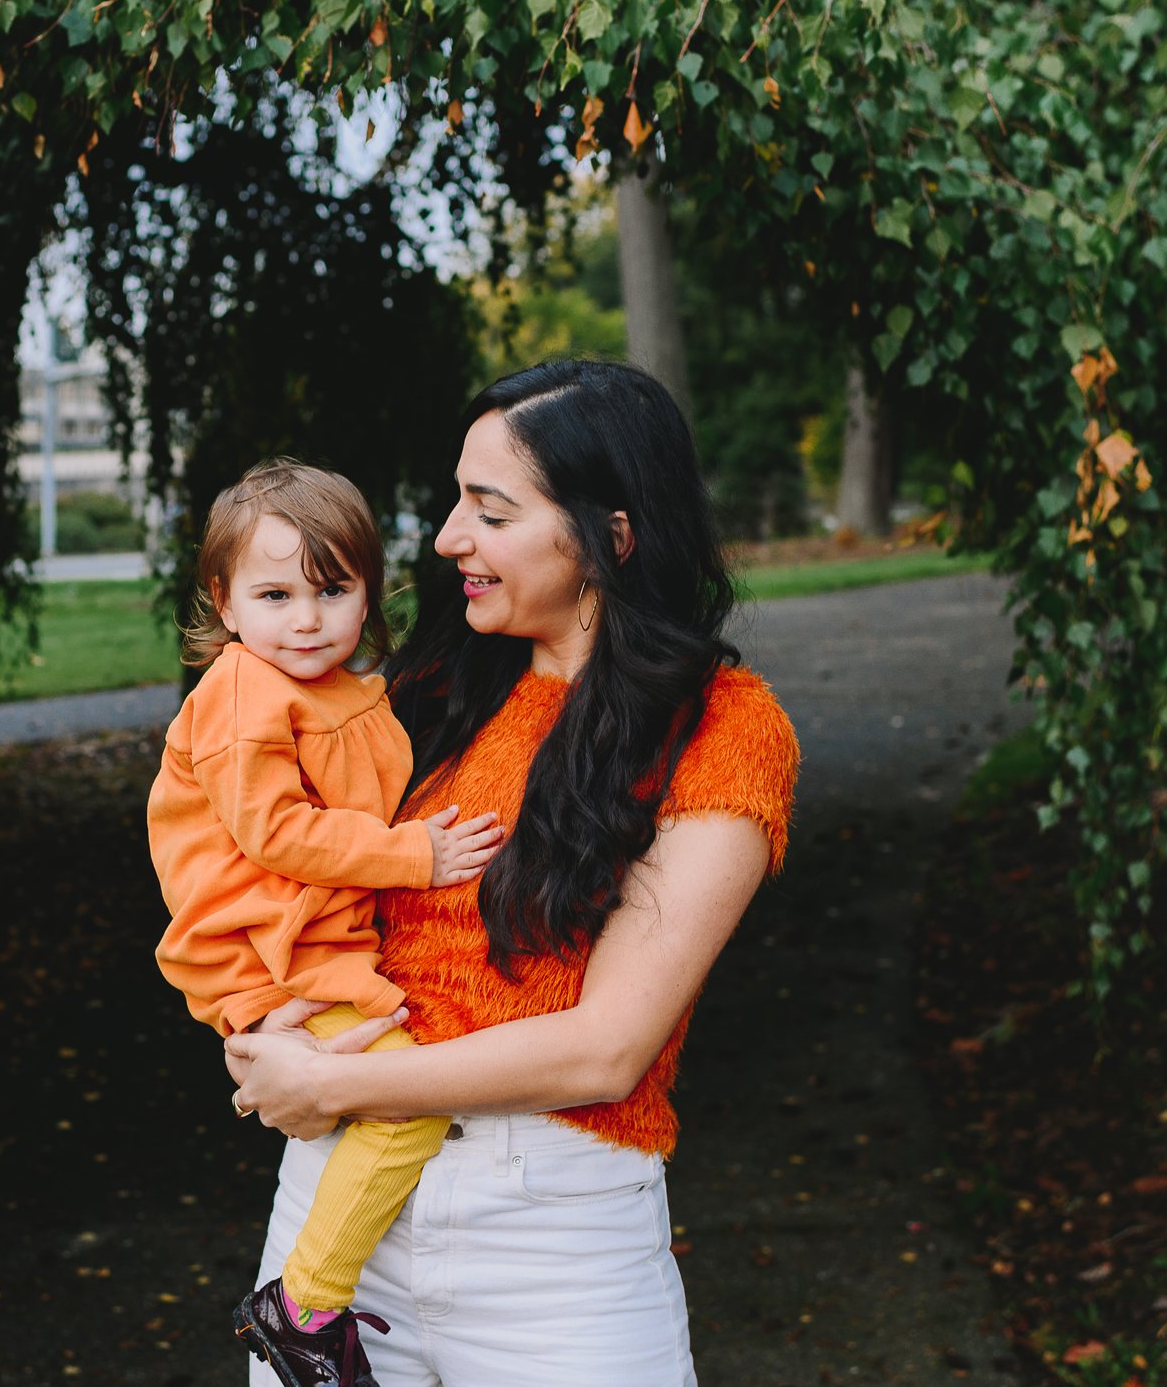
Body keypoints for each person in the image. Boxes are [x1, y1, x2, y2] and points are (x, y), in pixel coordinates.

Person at [224, 360, 800, 1387]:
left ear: (610, 536)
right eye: (455, 502)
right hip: (333, 1224)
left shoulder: (725, 729)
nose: (447, 539)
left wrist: (335, 1081)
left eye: (488, 512)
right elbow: (268, 871)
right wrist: (259, 1023)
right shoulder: (422, 693)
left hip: (554, 1247)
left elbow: (607, 1047)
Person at [147, 460, 509, 1387]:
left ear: (366, 590)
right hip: (273, 950)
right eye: (274, 593)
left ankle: (309, 1295)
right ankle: (303, 1305)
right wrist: (415, 858)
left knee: (389, 1095)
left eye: (332, 588)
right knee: (407, 1103)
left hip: (318, 942)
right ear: (224, 603)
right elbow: (275, 832)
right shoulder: (241, 695)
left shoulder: (349, 690)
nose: (305, 618)